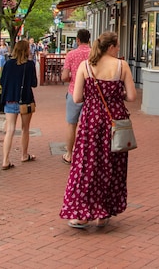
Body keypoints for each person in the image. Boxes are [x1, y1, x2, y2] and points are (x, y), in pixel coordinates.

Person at [60, 31, 136, 229]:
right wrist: (115, 96)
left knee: (87, 164)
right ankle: (104, 212)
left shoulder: (86, 66)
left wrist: (93, 98)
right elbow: (132, 97)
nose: (119, 49)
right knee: (112, 165)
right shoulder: (122, 66)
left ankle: (83, 213)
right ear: (110, 47)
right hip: (115, 120)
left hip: (91, 120)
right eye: (117, 45)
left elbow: (77, 98)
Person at [0, 40, 38, 170]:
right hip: (25, 100)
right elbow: (33, 83)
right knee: (25, 129)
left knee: (9, 129)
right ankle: (24, 154)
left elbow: (2, 81)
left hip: (10, 99)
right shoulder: (30, 65)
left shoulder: (8, 64)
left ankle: (5, 160)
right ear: (26, 50)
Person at [60, 29, 91, 164]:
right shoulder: (94, 55)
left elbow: (64, 76)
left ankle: (69, 154)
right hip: (90, 94)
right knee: (88, 126)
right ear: (89, 39)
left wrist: (73, 79)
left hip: (73, 92)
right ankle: (87, 155)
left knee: (71, 124)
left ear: (77, 40)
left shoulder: (71, 55)